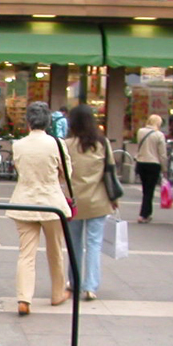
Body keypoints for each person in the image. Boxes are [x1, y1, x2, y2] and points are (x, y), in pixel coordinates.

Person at [8, 102, 73, 316]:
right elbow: (67, 174)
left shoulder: (18, 145)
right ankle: (57, 293)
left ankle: (24, 298)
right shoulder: (57, 144)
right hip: (51, 202)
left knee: (26, 253)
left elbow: (19, 171)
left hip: (24, 200)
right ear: (48, 122)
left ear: (27, 122)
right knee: (55, 250)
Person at [64, 105, 117, 301]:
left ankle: (74, 282)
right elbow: (110, 171)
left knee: (74, 244)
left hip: (74, 202)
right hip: (98, 200)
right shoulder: (102, 143)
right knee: (94, 244)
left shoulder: (67, 144)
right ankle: (91, 286)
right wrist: (114, 198)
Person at [135, 114, 168, 223]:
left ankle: (147, 213)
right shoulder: (159, 135)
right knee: (150, 190)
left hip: (141, 162)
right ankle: (143, 214)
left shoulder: (140, 132)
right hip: (154, 164)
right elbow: (162, 154)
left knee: (145, 190)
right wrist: (165, 169)